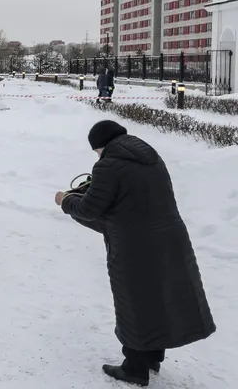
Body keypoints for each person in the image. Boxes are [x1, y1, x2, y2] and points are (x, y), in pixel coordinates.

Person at [55, 120, 215, 386]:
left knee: (134, 302)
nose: (97, 156)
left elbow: (90, 210)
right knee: (158, 298)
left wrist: (67, 200)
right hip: (170, 238)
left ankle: (134, 368)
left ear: (100, 146)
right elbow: (130, 198)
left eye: (96, 151)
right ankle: (152, 356)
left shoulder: (107, 164)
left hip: (135, 245)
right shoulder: (149, 156)